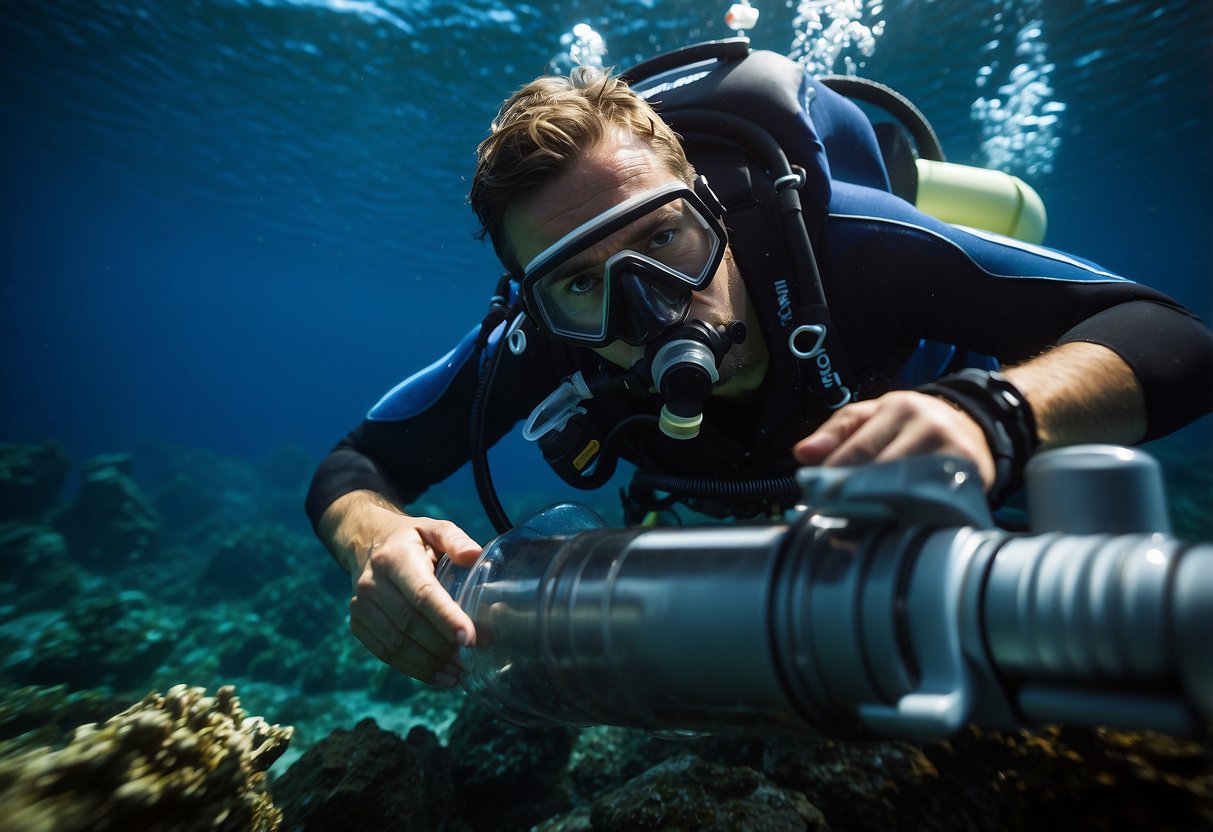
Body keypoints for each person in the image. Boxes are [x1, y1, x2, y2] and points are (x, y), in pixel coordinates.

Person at [305, 57, 1213, 690]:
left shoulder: (851, 247)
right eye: (582, 282)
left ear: (713, 210)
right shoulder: (546, 335)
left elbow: (1169, 334)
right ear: (537, 302)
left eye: (664, 239)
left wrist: (996, 412)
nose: (654, 310)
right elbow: (355, 466)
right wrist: (374, 543)